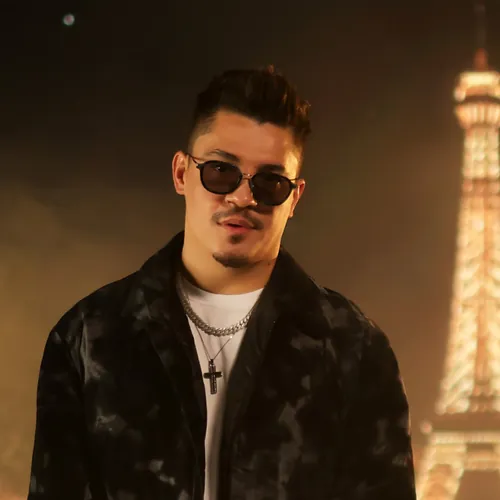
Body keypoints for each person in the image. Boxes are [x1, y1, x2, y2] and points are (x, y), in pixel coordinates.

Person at [28, 66, 416, 500]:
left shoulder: (354, 348)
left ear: (294, 199)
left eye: (270, 183)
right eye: (220, 171)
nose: (243, 197)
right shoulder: (87, 338)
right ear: (181, 173)